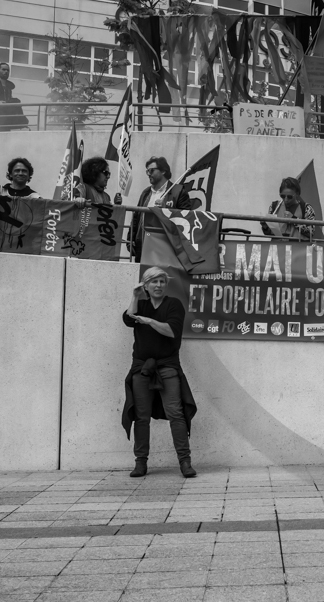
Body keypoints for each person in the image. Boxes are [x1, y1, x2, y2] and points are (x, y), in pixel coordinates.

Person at [121, 266, 197, 478]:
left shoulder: (173, 304)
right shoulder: (141, 305)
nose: (159, 285)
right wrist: (135, 297)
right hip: (142, 368)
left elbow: (171, 331)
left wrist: (149, 321)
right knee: (141, 415)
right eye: (154, 282)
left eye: (162, 281)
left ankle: (185, 462)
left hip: (168, 366)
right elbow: (128, 319)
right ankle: (141, 463)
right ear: (145, 285)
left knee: (176, 413)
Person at [130, 157, 193, 261]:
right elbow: (136, 217)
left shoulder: (178, 191)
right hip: (144, 244)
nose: (148, 174)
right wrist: (131, 239)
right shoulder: (145, 193)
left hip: (166, 246)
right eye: (147, 171)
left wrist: (166, 209)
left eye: (151, 170)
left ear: (163, 171)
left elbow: (186, 220)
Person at [262, 177, 318, 241]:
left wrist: (294, 220)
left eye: (289, 197)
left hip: (298, 248)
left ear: (297, 194)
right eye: (282, 196)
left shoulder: (306, 208)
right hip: (278, 247)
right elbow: (269, 233)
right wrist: (265, 226)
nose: (286, 200)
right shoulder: (274, 206)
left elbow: (311, 232)